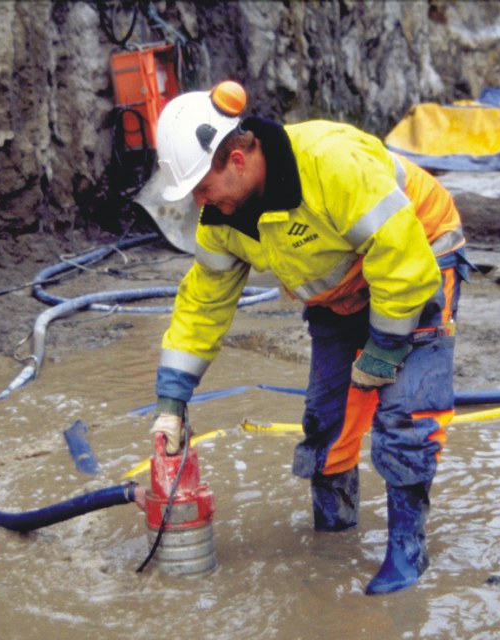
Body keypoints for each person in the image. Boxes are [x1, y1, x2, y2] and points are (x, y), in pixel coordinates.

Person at [147, 81, 470, 596]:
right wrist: (172, 399)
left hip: (422, 253)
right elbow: (203, 304)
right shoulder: (222, 220)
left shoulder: (330, 164)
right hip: (344, 287)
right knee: (327, 417)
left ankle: (408, 552)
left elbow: (402, 263)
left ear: (237, 159)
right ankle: (335, 532)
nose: (199, 205)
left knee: (403, 414)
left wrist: (385, 349)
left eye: (202, 190)